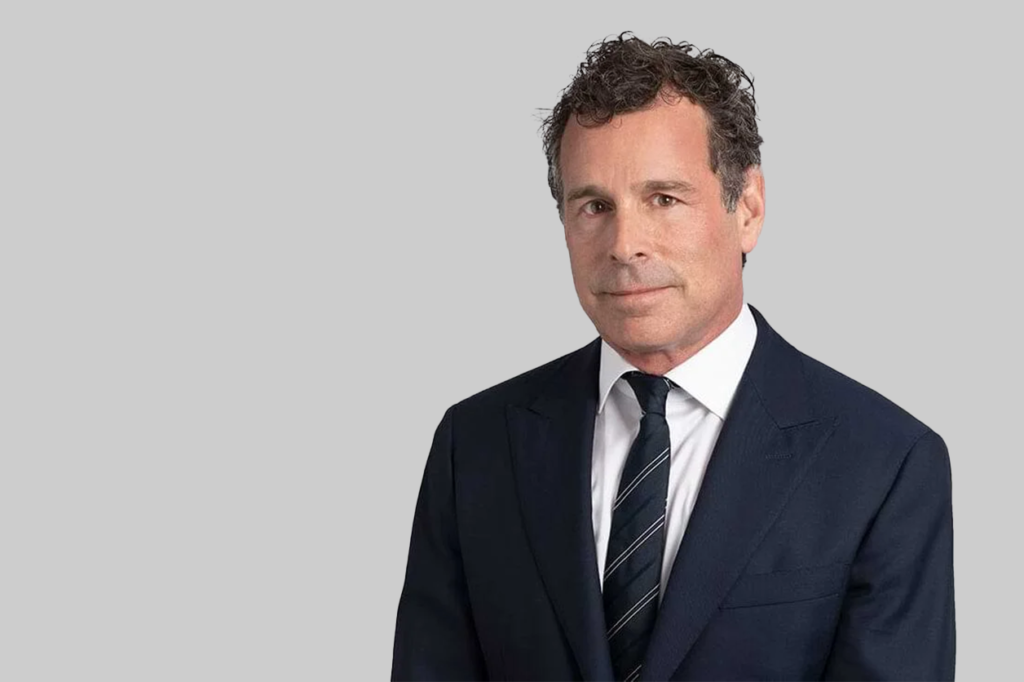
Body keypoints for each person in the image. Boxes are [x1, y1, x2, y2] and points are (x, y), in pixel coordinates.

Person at [390, 33, 955, 681]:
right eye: (594, 206)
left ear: (748, 209)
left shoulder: (884, 463)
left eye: (664, 198)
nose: (624, 243)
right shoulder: (476, 445)